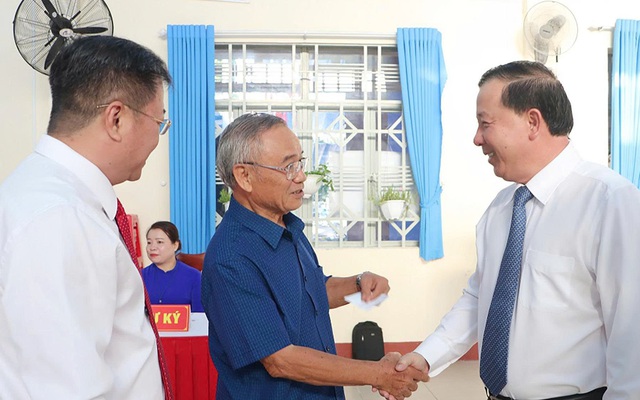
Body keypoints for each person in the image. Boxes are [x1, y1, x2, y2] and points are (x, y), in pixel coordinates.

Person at [385, 61, 640, 400]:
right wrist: (427, 356)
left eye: (485, 123)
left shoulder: (610, 201)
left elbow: (632, 328)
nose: (477, 139)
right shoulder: (502, 208)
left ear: (532, 122)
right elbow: (481, 297)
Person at [200, 113, 429, 400]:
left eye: (300, 162)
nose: (301, 176)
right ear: (244, 176)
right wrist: (378, 373)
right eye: (288, 167)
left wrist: (357, 283)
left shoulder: (287, 227)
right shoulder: (231, 258)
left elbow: (308, 292)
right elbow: (281, 360)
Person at [0, 36, 172, 399]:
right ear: (117, 118)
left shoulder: (54, 196)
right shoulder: (60, 218)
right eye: (159, 122)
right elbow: (65, 389)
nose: (158, 138)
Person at [143, 221, 204, 312]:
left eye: (159, 242)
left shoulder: (194, 277)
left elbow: (199, 315)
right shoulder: (140, 276)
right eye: (149, 242)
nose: (152, 247)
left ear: (175, 245)